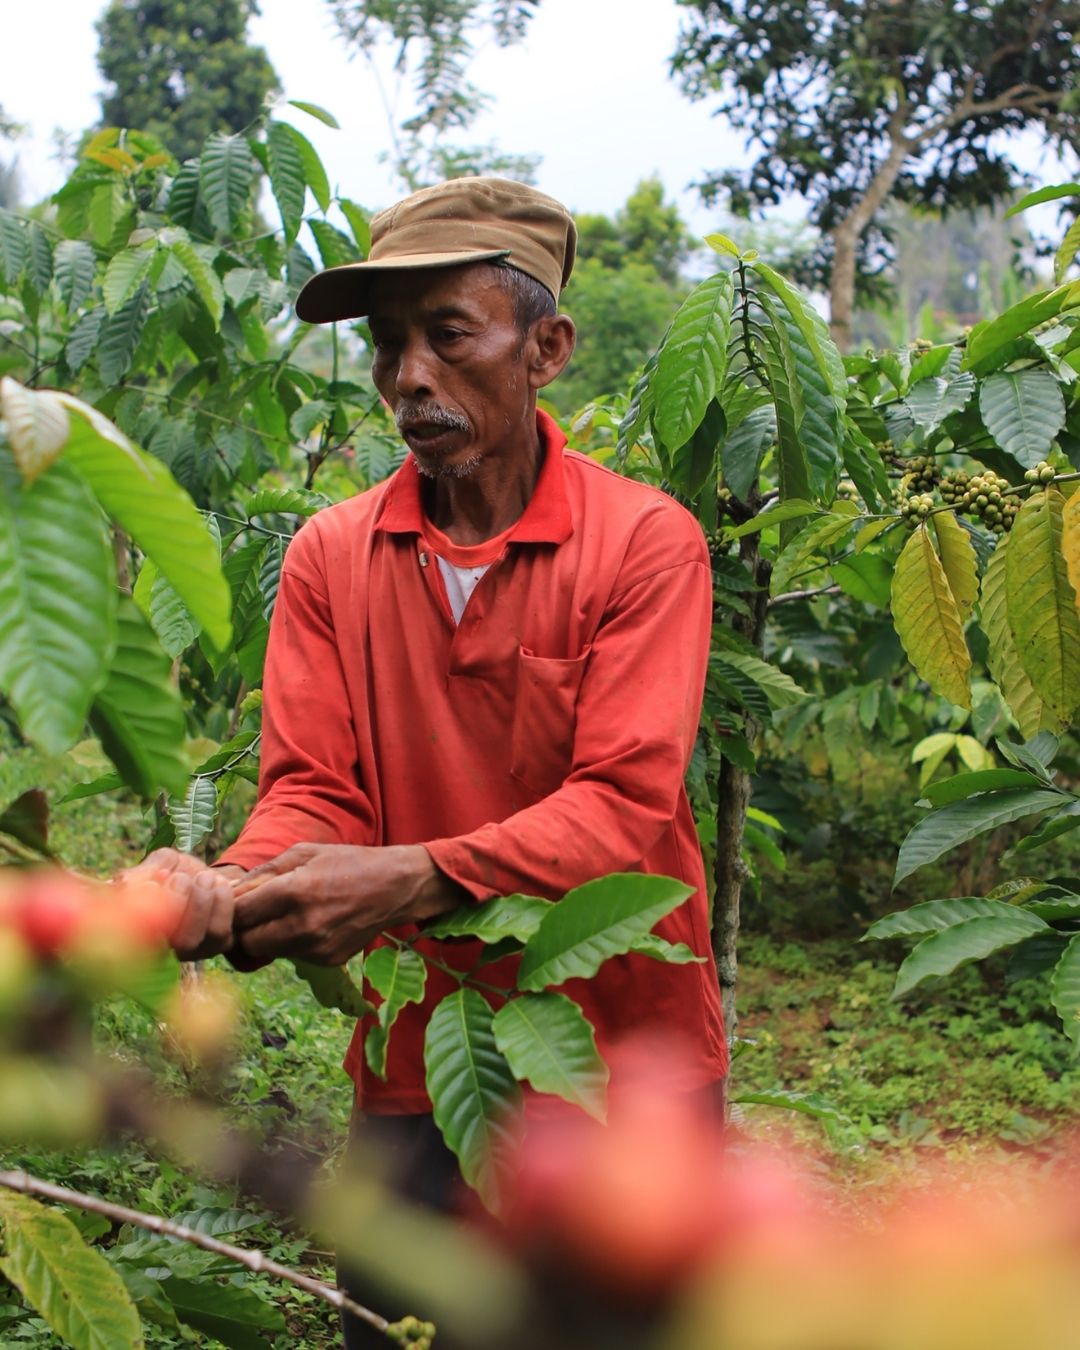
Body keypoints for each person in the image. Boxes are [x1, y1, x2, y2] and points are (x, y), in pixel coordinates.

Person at [138, 177, 727, 1345]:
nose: (409, 377)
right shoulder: (332, 555)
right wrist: (231, 885)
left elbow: (622, 805)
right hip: (423, 1064)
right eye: (389, 345)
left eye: (448, 336)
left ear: (545, 348)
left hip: (626, 1066)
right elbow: (315, 787)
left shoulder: (643, 544)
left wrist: (408, 877)